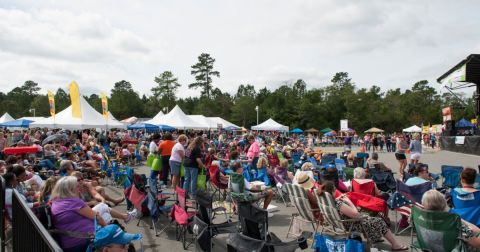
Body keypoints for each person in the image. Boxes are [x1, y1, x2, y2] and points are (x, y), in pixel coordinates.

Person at [51, 176, 135, 252]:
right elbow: (97, 217)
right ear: (70, 189)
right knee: (122, 241)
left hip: (72, 240)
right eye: (76, 186)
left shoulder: (57, 201)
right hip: (81, 241)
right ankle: (125, 222)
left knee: (105, 212)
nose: (79, 187)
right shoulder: (73, 202)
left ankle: (125, 219)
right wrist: (108, 230)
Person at [318, 181, 408, 251]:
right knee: (378, 221)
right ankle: (395, 245)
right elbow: (356, 215)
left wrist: (340, 199)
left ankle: (375, 237)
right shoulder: (338, 204)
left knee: (368, 215)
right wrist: (348, 201)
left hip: (339, 223)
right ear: (333, 191)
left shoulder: (327, 201)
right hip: (350, 224)